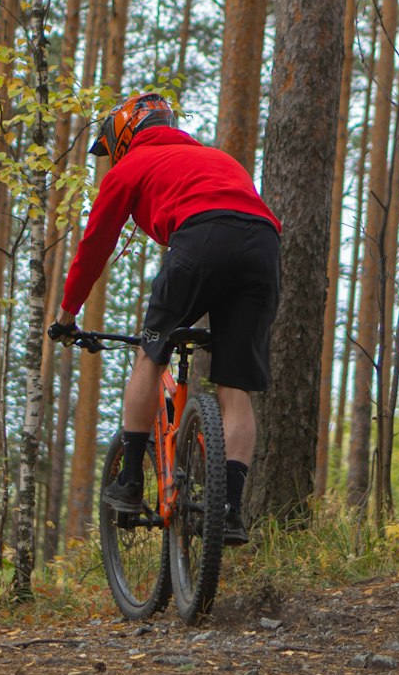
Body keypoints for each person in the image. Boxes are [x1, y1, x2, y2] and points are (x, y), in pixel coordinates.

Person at [49, 91, 281, 544]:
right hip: (263, 247)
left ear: (124, 135)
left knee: (150, 353)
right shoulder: (218, 159)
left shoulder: (129, 167)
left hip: (200, 238)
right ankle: (231, 510)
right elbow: (245, 213)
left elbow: (95, 245)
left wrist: (67, 314)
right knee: (236, 389)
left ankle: (131, 482)